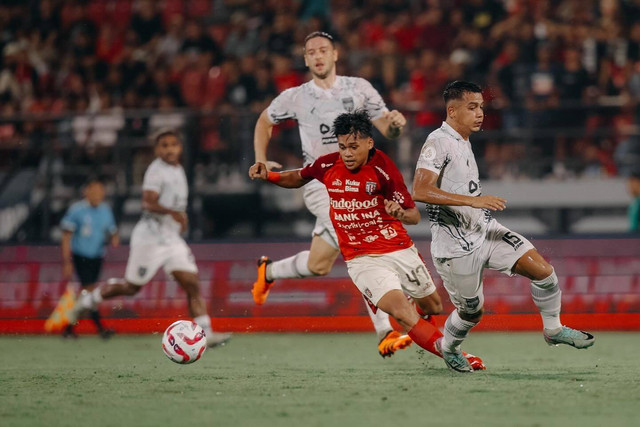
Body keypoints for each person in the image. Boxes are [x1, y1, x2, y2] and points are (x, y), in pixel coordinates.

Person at [249, 110, 485, 370]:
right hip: (362, 259)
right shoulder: (328, 165)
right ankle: (451, 353)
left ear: (369, 143)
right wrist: (268, 176)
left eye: (353, 146)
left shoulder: (383, 169)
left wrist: (399, 212)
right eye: (342, 147)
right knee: (403, 314)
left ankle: (422, 332)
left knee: (432, 305)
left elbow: (414, 216)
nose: (347, 153)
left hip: (398, 248)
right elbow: (297, 177)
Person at [412, 81, 595, 373]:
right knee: (471, 313)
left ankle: (553, 329)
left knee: (543, 271)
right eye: (472, 107)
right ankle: (449, 347)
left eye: (481, 107)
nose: (480, 113)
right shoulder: (438, 141)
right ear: (452, 110)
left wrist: (474, 207)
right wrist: (471, 202)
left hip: (485, 230)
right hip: (454, 246)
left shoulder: (463, 140)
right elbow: (420, 190)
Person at [252, 31, 411, 357]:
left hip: (361, 181)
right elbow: (264, 121)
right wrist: (260, 158)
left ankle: (268, 271)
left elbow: (386, 128)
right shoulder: (296, 96)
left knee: (319, 264)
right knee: (361, 239)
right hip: (320, 183)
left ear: (335, 54)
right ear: (306, 58)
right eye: (311, 52)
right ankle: (384, 330)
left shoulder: (359, 88)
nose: (318, 55)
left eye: (323, 50)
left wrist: (396, 124)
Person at [68, 129, 231, 348]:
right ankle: (89, 299)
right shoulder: (156, 171)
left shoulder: (178, 169)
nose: (169, 148)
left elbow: (176, 204)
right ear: (157, 150)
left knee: (192, 283)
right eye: (164, 145)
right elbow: (148, 202)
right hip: (150, 238)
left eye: (173, 144)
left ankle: (207, 333)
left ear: (180, 148)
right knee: (131, 287)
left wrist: (179, 218)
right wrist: (174, 214)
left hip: (171, 239)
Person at [58, 177, 118, 339]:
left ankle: (69, 328)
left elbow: (112, 230)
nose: (97, 194)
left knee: (86, 294)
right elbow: (66, 237)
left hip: (97, 257)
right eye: (94, 190)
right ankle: (100, 328)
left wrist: (114, 237)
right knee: (89, 291)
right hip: (80, 257)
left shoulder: (105, 210)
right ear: (86, 192)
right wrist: (67, 261)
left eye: (100, 191)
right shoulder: (76, 210)